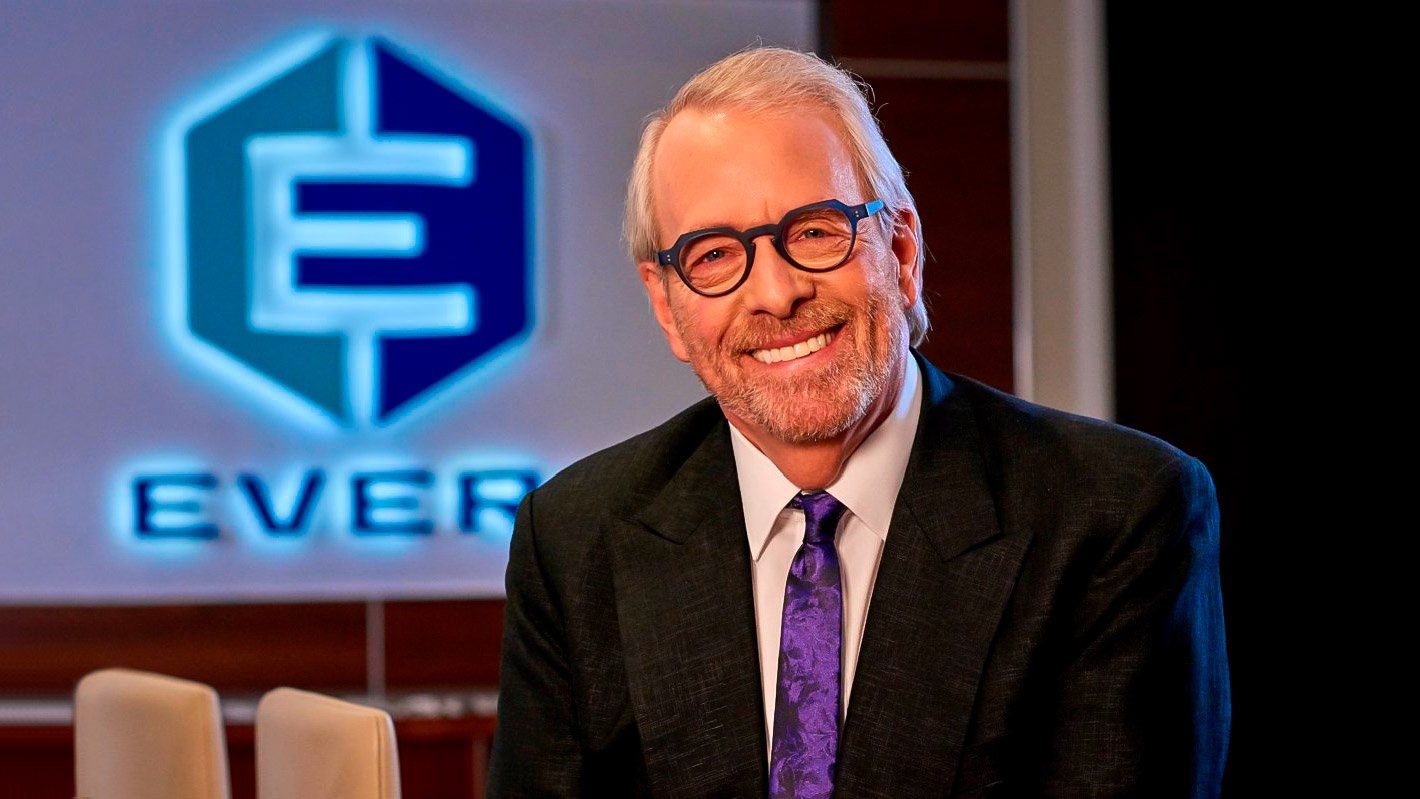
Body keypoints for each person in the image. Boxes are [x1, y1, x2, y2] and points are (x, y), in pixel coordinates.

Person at [487, 46, 1230, 798]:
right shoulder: (576, 540)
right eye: (713, 254)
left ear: (901, 253)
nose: (776, 293)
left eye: (815, 231)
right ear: (666, 305)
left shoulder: (1114, 513)